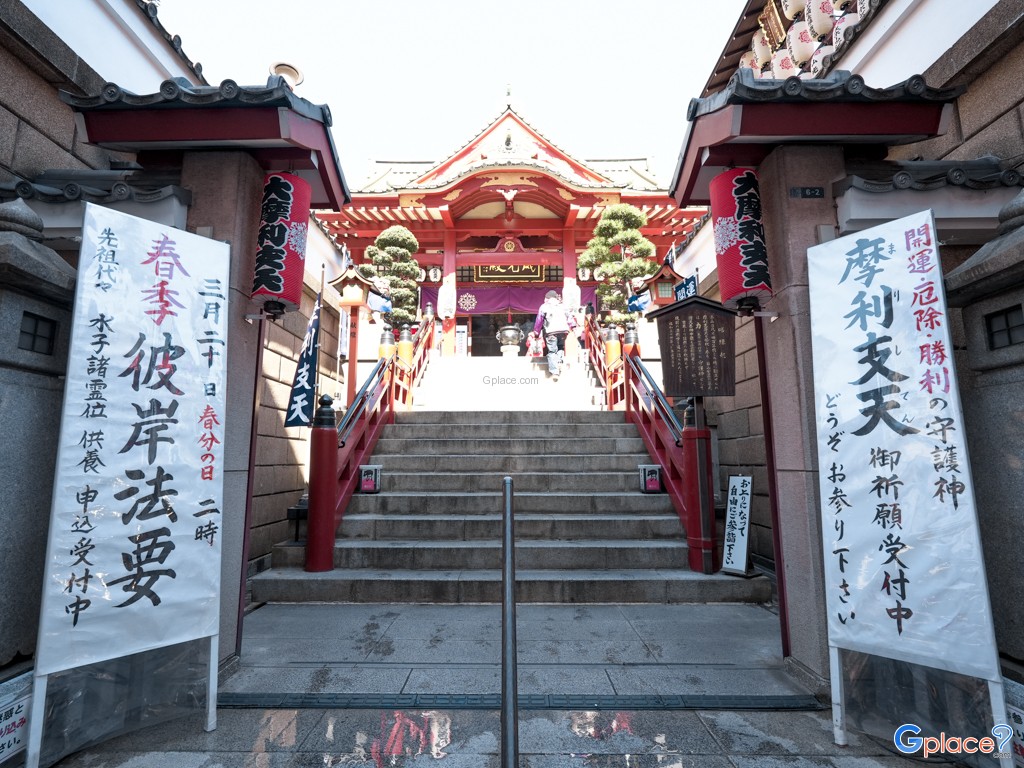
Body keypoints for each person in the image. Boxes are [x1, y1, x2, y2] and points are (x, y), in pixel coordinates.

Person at [533, 290, 578, 381]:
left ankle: (555, 372)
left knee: (552, 351)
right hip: (563, 331)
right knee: (560, 347)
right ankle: (559, 363)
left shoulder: (544, 307)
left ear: (548, 298)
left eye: (545, 298)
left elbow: (539, 320)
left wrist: (536, 332)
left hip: (551, 332)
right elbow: (569, 317)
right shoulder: (563, 306)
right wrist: (573, 327)